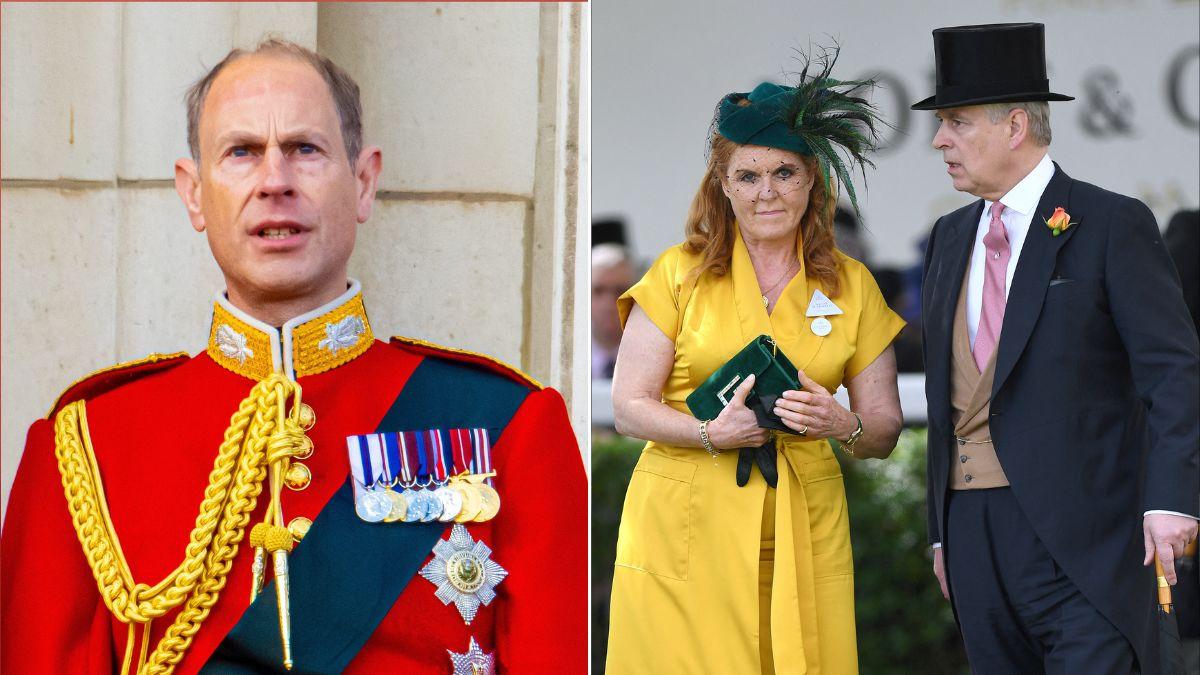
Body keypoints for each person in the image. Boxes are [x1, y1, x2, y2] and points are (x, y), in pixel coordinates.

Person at [0, 39, 587, 674]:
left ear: (363, 183)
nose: (274, 181)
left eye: (305, 150)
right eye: (241, 152)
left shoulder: (509, 425)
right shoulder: (88, 444)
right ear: (194, 194)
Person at [606, 53, 905, 674]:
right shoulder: (677, 273)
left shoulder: (853, 286)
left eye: (783, 173)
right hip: (685, 520)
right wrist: (709, 433)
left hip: (804, 522)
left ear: (811, 181)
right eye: (747, 175)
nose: (766, 191)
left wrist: (838, 423)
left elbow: (882, 431)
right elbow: (628, 406)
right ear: (722, 183)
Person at [915, 23, 1199, 674]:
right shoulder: (949, 237)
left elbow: (1173, 370)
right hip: (972, 536)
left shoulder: (1108, 223)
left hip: (1087, 537)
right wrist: (942, 530)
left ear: (1015, 126)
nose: (939, 140)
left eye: (956, 122)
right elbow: (944, 393)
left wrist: (1172, 498)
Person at [591, 242, 636, 379]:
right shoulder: (567, 358)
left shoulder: (658, 357)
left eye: (619, 291)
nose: (608, 304)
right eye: (598, 291)